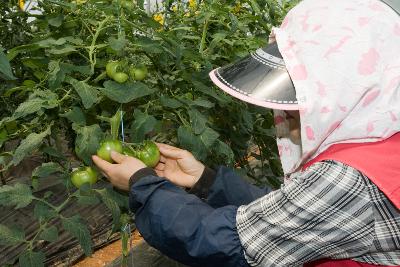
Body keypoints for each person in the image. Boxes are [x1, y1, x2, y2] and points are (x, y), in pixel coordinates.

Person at [92, 0, 400, 266]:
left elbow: (228, 244)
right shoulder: (380, 139)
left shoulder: (349, 179)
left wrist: (142, 184)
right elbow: (293, 212)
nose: (284, 110)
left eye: (303, 91)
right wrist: (207, 181)